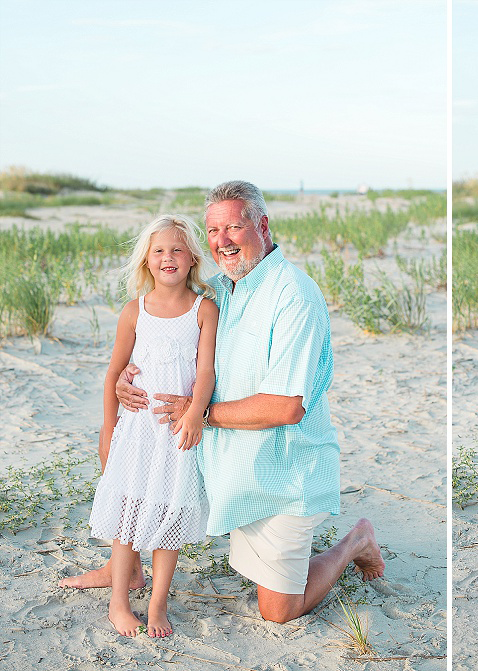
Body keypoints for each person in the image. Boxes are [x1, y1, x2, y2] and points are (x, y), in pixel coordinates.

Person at [62, 181, 385, 623]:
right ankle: (123, 567)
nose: (223, 241)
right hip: (227, 470)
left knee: (278, 610)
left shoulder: (294, 296)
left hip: (281, 477)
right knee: (142, 483)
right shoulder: (217, 290)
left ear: (263, 226)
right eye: (214, 231)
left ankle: (355, 542)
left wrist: (200, 413)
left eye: (234, 227)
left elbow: (287, 406)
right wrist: (122, 378)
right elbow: (162, 323)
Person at [85, 214, 218, 637]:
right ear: (146, 260)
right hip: (136, 433)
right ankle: (119, 603)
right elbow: (114, 374)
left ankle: (158, 604)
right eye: (159, 250)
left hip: (176, 436)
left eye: (177, 249)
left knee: (168, 513)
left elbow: (207, 370)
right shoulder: (134, 311)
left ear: (192, 257)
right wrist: (108, 430)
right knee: (126, 514)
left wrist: (196, 411)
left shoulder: (204, 309)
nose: (168, 257)